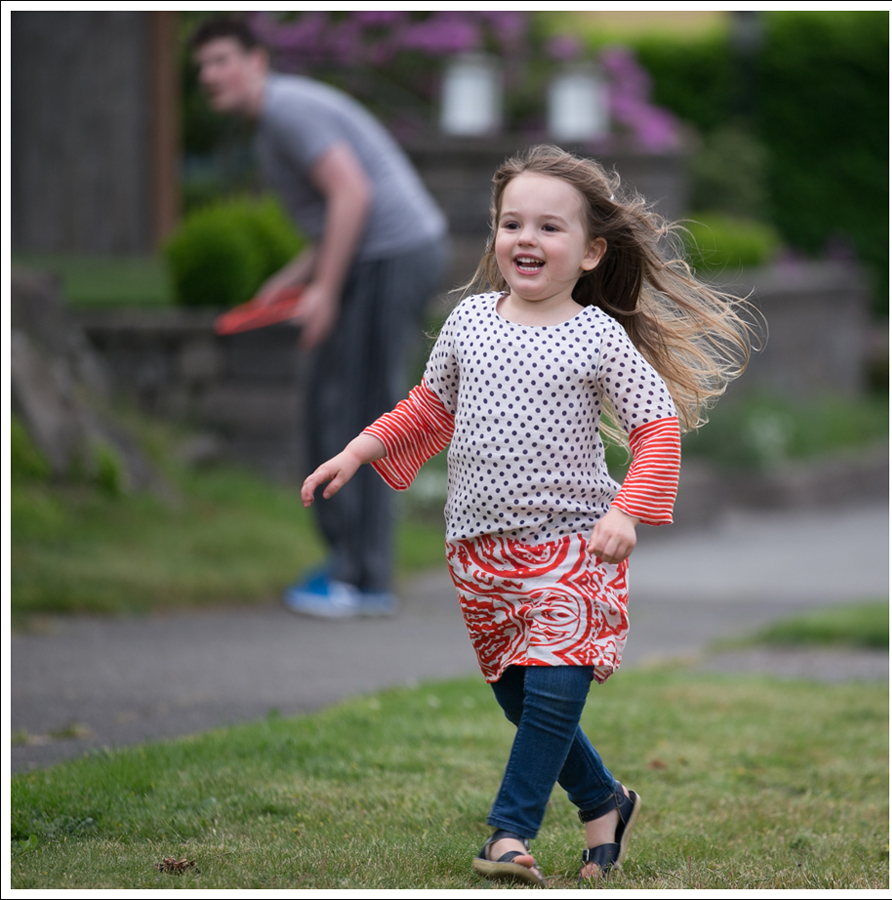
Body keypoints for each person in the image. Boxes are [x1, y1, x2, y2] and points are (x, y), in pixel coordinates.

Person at [301, 144, 756, 885]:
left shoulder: (598, 336)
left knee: (554, 681)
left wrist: (628, 512)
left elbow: (656, 428)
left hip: (576, 543)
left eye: (549, 227)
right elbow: (429, 407)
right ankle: (604, 801)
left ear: (589, 252)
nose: (526, 239)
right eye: (512, 223)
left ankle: (508, 831)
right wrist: (359, 450)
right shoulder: (470, 321)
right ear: (494, 235)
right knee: (521, 694)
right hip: (479, 549)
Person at [191, 17, 449, 617]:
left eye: (223, 59)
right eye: (202, 66)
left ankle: (364, 580)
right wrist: (293, 278)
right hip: (374, 256)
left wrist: (325, 292)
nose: (210, 75)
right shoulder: (274, 119)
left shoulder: (285, 111)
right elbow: (341, 211)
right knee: (330, 403)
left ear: (257, 61)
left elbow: (352, 195)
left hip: (391, 256)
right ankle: (346, 561)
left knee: (359, 407)